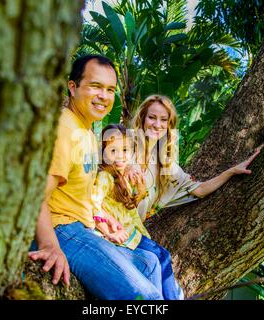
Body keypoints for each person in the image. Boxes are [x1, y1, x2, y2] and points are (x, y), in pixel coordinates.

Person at [28, 55, 164, 300]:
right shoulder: (63, 130)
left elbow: (79, 192)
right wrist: (50, 246)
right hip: (60, 229)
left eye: (110, 89)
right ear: (73, 87)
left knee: (150, 263)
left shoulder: (88, 131)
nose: (104, 96)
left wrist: (103, 219)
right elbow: (33, 195)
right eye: (95, 86)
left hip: (83, 226)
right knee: (147, 299)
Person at [129, 94, 262, 223]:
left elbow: (200, 190)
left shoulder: (167, 168)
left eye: (164, 120)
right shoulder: (122, 145)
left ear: (169, 126)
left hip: (128, 234)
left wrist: (232, 171)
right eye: (152, 117)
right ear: (142, 119)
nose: (157, 125)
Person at [92, 124, 184, 300]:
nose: (120, 156)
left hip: (134, 232)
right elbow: (93, 203)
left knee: (160, 257)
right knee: (162, 258)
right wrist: (107, 230)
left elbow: (129, 205)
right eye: (113, 151)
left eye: (125, 150)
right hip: (124, 235)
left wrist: (140, 189)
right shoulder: (105, 177)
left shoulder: (121, 176)